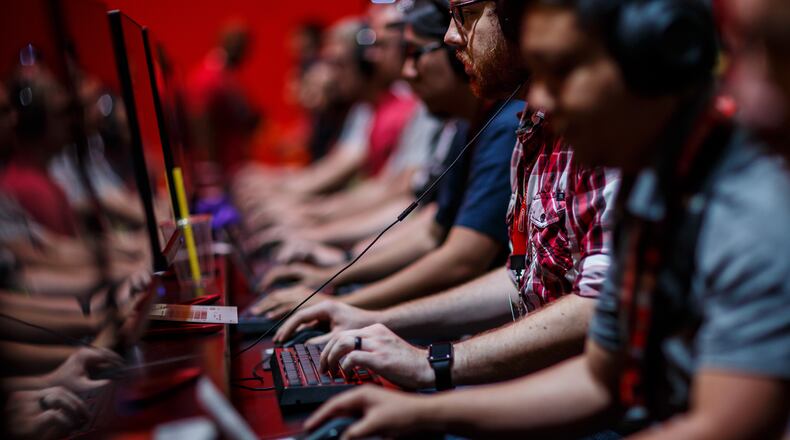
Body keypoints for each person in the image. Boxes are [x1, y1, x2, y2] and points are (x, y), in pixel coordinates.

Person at [303, 0, 790, 438]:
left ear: (648, 64)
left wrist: (435, 371)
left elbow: (723, 423)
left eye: (562, 72)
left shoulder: (749, 209)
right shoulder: (652, 180)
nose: (544, 100)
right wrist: (424, 409)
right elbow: (600, 379)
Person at [271, 0, 617, 395]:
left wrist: (433, 362)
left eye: (465, 15)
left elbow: (592, 304)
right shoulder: (530, 122)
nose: (452, 36)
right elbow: (524, 280)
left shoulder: (570, 127)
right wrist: (373, 316)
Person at [252, 0, 522, 318]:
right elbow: (430, 225)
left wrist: (348, 295)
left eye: (414, 54)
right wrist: (335, 266)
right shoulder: (466, 126)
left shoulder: (504, 125)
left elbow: (460, 255)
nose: (405, 72)